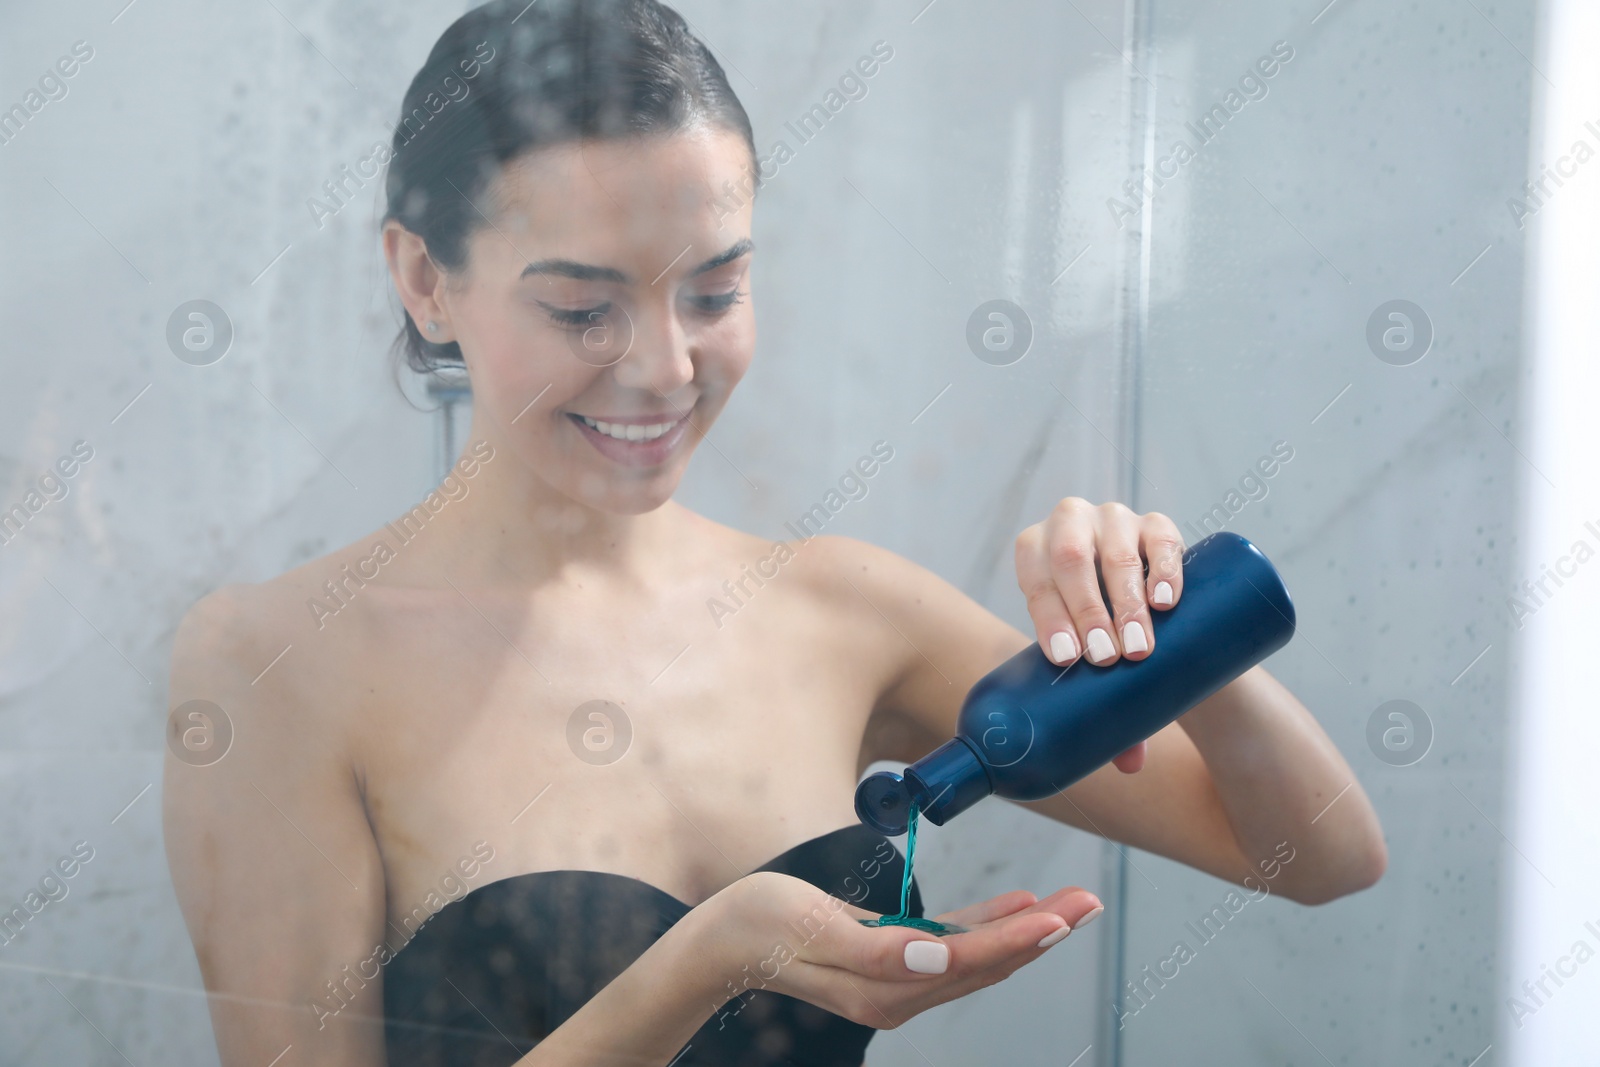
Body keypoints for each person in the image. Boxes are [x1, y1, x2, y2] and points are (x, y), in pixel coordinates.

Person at [162, 1, 1387, 1063]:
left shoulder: (840, 609)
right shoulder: (278, 662)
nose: (663, 365)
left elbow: (1318, 859)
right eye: (583, 305)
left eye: (715, 290)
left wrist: (1171, 627)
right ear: (425, 279)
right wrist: (703, 967)